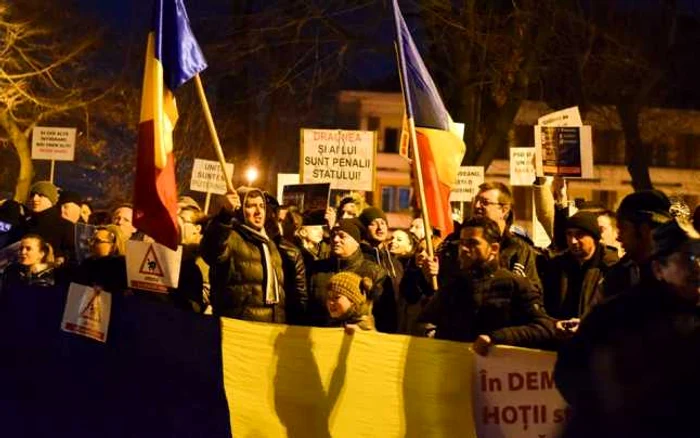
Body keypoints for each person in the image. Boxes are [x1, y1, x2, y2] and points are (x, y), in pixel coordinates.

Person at [554, 219, 700, 438]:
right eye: (688, 258)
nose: (697, 266)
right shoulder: (618, 316)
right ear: (659, 268)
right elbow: (569, 372)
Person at [414, 217, 554, 354]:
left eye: (472, 243)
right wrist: (437, 337)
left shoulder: (516, 285)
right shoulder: (453, 286)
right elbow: (424, 322)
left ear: (493, 248)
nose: (463, 249)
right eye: (461, 243)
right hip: (457, 369)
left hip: (500, 372)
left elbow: (544, 327)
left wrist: (496, 338)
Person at [201, 187, 286, 322]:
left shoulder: (270, 244)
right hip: (239, 327)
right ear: (239, 209)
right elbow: (212, 251)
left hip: (272, 327)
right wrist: (225, 215)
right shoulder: (230, 237)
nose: (258, 212)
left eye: (262, 206)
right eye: (251, 206)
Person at [542, 212, 619, 331]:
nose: (573, 241)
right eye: (569, 234)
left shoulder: (611, 268)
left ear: (594, 237)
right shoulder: (557, 265)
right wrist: (554, 324)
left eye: (579, 235)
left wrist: (587, 325)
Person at [307, 218, 388, 328]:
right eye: (333, 235)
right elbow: (306, 308)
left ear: (356, 241)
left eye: (342, 236)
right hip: (320, 337)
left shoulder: (374, 272)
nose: (335, 239)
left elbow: (384, 316)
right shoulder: (318, 269)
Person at [598, 190, 672, 299]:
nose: (618, 238)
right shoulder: (616, 276)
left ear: (644, 230)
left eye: (623, 229)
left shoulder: (678, 274)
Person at [472, 182, 542, 289]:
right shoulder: (459, 242)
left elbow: (532, 292)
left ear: (504, 210)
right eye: (476, 200)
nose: (477, 206)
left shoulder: (519, 249)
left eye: (484, 202)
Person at [264, 193, 307, 325]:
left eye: (271, 213)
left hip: (281, 321)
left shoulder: (291, 252)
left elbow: (300, 296)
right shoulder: (241, 243)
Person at [10, 181, 75, 264]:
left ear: (51, 199)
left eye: (41, 195)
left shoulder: (66, 226)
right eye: (32, 195)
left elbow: (71, 255)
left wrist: (58, 260)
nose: (34, 199)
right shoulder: (24, 224)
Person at [74, 225, 128, 294]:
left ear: (112, 245)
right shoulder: (87, 264)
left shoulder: (122, 268)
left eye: (97, 241)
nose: (91, 244)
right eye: (91, 240)